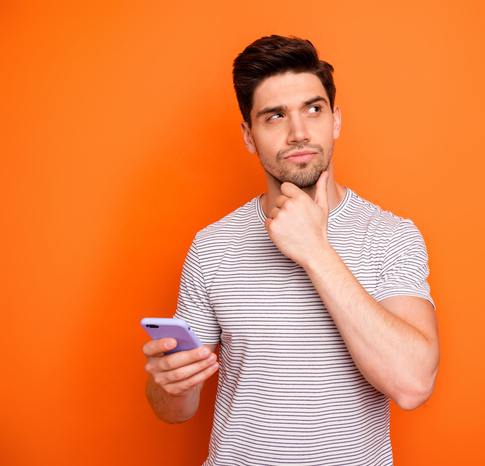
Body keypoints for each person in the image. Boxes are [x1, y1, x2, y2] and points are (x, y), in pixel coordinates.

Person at [143, 35, 439, 465]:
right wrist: (169, 384)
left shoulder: (390, 236)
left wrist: (316, 251)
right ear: (249, 136)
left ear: (335, 120)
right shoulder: (213, 245)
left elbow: (413, 384)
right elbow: (176, 410)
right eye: (274, 116)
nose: (299, 132)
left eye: (313, 109)